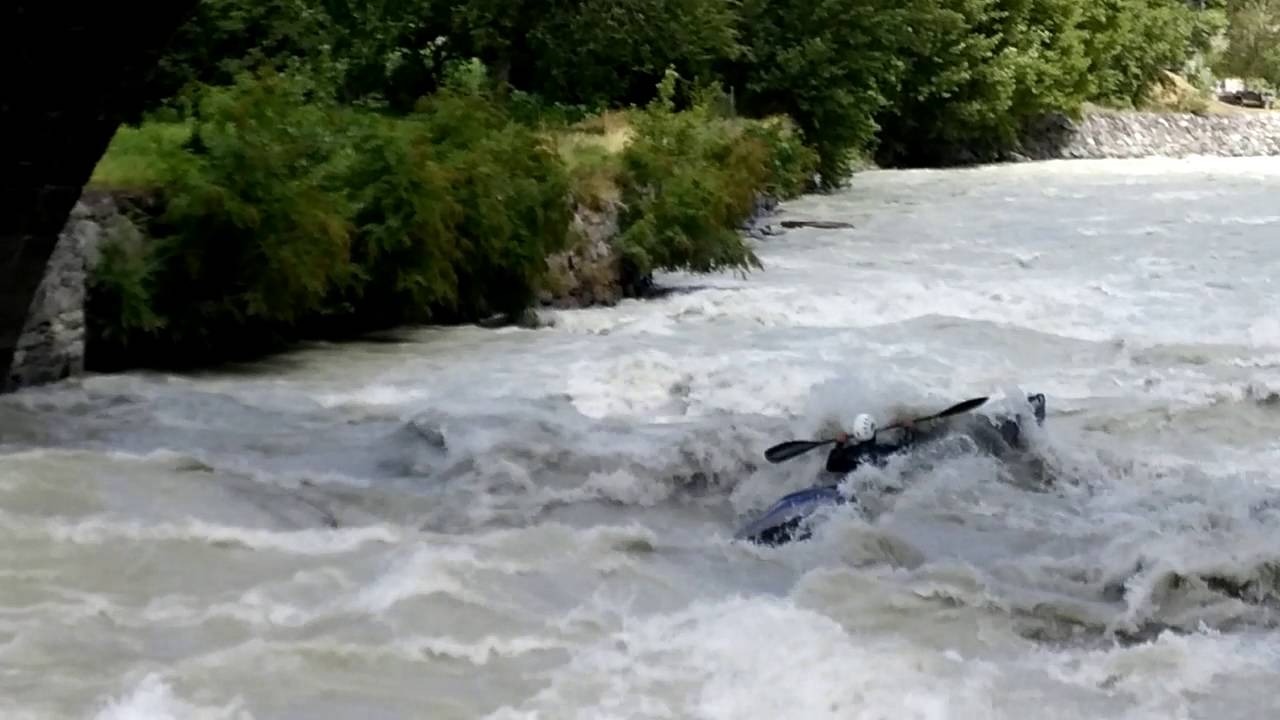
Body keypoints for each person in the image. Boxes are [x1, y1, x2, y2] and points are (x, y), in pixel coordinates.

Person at [825, 393, 1047, 476]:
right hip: (888, 474)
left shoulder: (849, 456)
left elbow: (831, 466)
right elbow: (906, 449)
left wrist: (839, 444)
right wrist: (909, 429)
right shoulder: (884, 450)